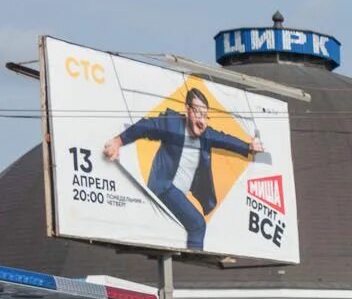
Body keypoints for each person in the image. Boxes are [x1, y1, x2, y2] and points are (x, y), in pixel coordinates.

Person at [103, 86, 263, 252]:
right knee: (198, 224)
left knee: (180, 227)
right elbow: (145, 126)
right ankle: (195, 257)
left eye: (204, 115)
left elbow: (225, 140)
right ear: (187, 110)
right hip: (164, 187)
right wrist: (118, 141)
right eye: (196, 113)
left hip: (179, 193)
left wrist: (248, 147)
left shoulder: (206, 134)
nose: (201, 121)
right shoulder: (171, 124)